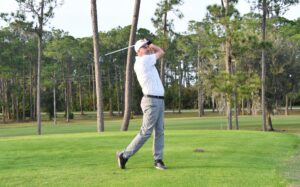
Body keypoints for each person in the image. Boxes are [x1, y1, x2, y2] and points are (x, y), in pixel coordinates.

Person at [117, 39, 166, 170]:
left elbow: (158, 52)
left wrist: (148, 46)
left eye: (147, 45)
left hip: (159, 100)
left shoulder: (146, 60)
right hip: (151, 101)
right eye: (144, 47)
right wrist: (152, 46)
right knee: (146, 132)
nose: (148, 48)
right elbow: (161, 52)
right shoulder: (143, 60)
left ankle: (158, 160)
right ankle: (124, 155)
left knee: (159, 132)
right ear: (138, 51)